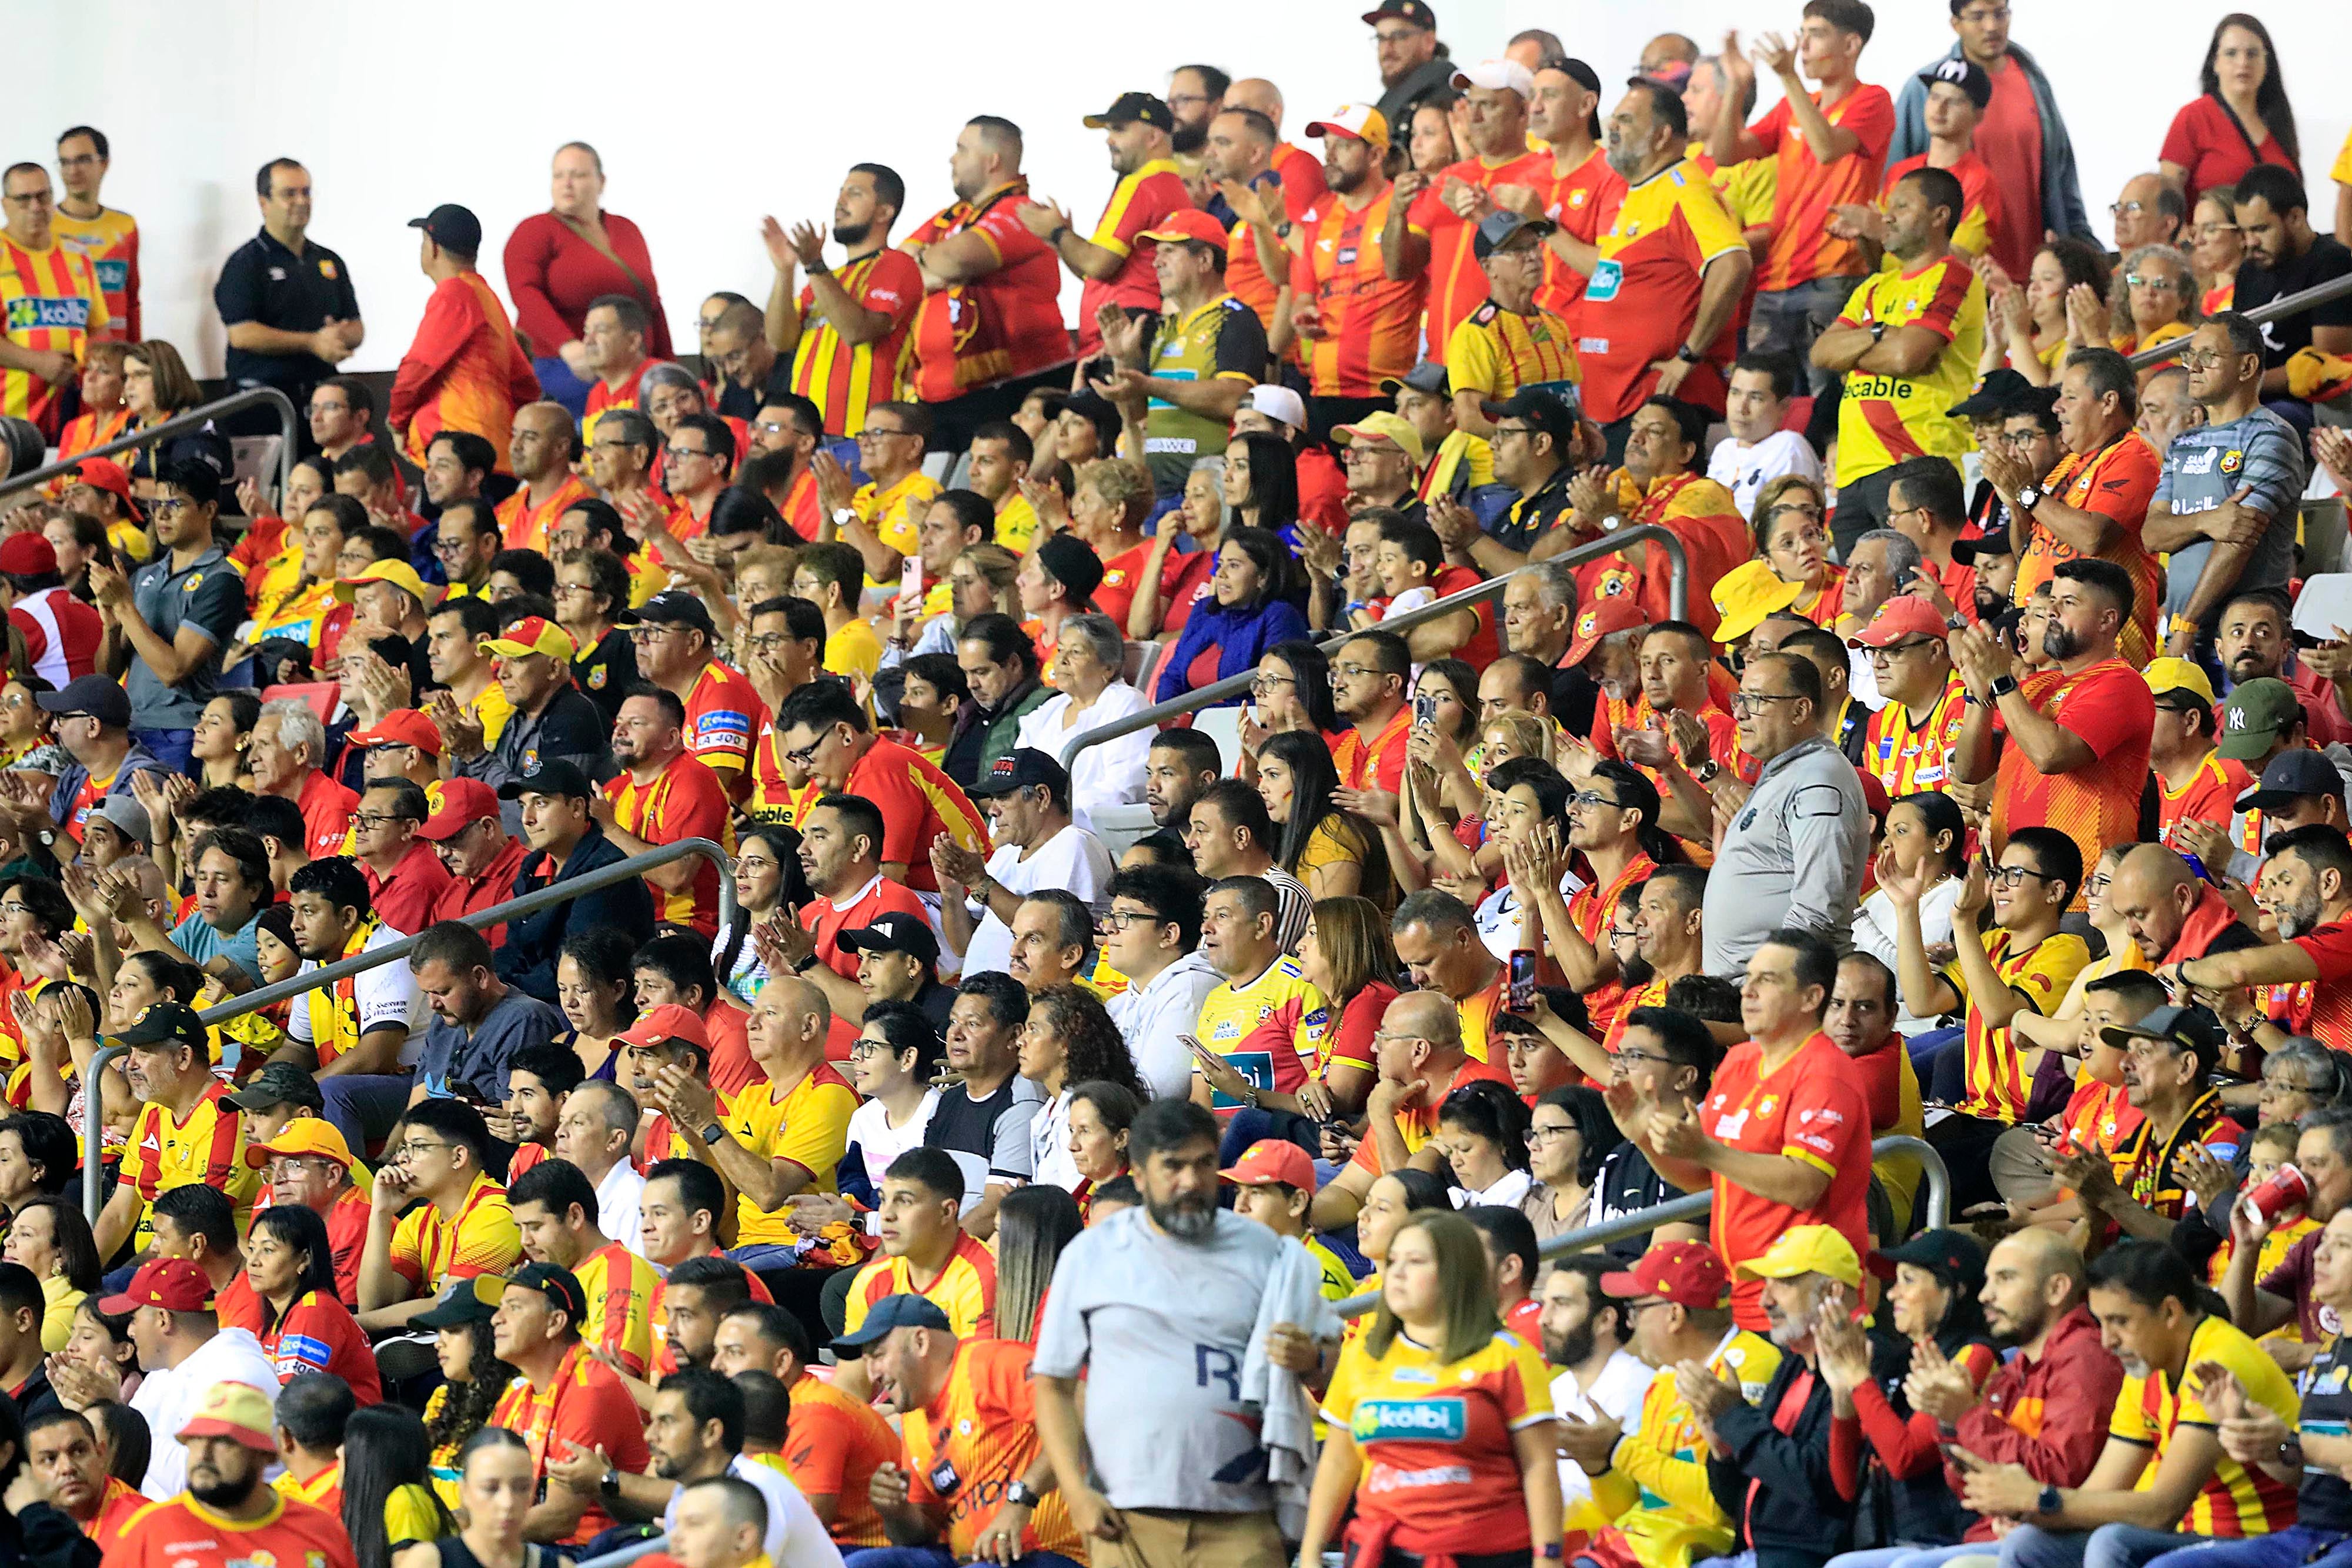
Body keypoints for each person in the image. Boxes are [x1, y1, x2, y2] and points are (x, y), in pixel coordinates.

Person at [1034, 1099, 1335, 1568]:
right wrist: (1076, 1494)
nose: (1192, 1181)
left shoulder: (1270, 1253)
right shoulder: (1090, 1254)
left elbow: (1332, 1367)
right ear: (1137, 1174)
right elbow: (1053, 1385)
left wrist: (1311, 1361)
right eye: (1173, 1166)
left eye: (1205, 1163)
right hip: (1126, 1520)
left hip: (1245, 1521)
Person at [1960, 1239, 2299, 1568]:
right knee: (2030, 1544)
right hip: (2189, 1538)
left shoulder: (2216, 1361)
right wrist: (2031, 1512)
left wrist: (2039, 1498)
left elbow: (2162, 1510)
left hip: (2261, 1540)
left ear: (2169, 1312)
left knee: (2114, 1544)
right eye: (2101, 1322)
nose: (2107, 1341)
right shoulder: (2145, 1369)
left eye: (2120, 1321)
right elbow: (2102, 1488)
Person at [1615, 928, 1872, 1330]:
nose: (1747, 992)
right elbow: (1704, 1179)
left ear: (1811, 998)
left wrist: (1706, 1151)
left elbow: (1805, 1184)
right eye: (1748, 978)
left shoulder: (1827, 1071)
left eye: (1767, 980)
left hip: (1810, 1303)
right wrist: (1644, 1137)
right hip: (1745, 1292)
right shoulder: (1739, 1061)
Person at [1298, 1206, 1561, 1568]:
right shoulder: (1363, 1355)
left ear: (1457, 1273)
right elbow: (1339, 1463)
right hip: (1381, 1552)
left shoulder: (1508, 1356)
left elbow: (1540, 1466)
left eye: (1416, 1261)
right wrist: (1311, 1552)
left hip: (1489, 1555)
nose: (1398, 1273)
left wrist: (1548, 1557)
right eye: (1393, 1260)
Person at [836, 1293, 1084, 1567]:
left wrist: (1021, 1499)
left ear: (920, 1342)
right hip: (964, 1559)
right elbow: (924, 1533)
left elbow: (1081, 1411)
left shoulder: (989, 1363)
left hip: (1051, 1552)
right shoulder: (914, 1417)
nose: (872, 1375)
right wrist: (895, 1510)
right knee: (860, 1565)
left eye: (879, 1356)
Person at [1953, 560, 2154, 894]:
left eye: (2069, 603)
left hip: (2082, 891)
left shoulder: (2122, 683)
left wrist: (2002, 681)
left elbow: (2051, 756)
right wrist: (1980, 694)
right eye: (2053, 602)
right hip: (2013, 884)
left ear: (2108, 620)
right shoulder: (2035, 687)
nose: (2053, 612)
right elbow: (1970, 770)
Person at [1812, 166, 1987, 546]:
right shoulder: (1875, 286)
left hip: (1915, 462)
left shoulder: (1953, 276)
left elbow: (1908, 356)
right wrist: (1879, 335)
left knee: (1916, 594)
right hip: (1853, 471)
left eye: (1903, 206)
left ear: (1940, 216)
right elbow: (1823, 353)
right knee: (1863, 600)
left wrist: (1856, 352)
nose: (1887, 216)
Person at [1578, 81, 1752, 449]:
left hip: (1658, 412)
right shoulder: (1642, 191)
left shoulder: (1685, 191)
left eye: (1625, 120)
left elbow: (1732, 264)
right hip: (1618, 409)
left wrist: (1688, 356)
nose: (1612, 128)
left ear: (1661, 135)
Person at [1698, 652, 1868, 976]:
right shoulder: (1789, 771)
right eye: (1740, 698)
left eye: (1757, 700)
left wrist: (1770, 979)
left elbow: (1818, 905)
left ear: (1800, 710)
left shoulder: (1819, 778)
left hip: (1782, 989)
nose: (1740, 713)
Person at [2145, 314, 2305, 651]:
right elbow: (2152, 533)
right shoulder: (2183, 443)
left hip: (2247, 640)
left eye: (2209, 357)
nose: (2194, 367)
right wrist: (2207, 520)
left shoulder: (2271, 435)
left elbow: (2238, 541)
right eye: (2191, 356)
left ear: (2247, 367)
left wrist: (2188, 624)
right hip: (2184, 632)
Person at [92, 460, 244, 775]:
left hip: (179, 732)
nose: (161, 514)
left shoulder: (222, 581)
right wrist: (112, 625)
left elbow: (174, 670)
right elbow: (107, 674)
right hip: (129, 729)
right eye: (156, 504)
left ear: (210, 510)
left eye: (175, 504)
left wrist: (126, 608)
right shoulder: (145, 576)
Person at [482, 1261, 649, 1546]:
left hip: (592, 1552)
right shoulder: (517, 1393)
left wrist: (469, 1538)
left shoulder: (590, 1386)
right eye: (500, 1308)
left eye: (514, 1307)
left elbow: (559, 1519)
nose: (496, 1319)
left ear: (555, 1323)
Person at [110, 1379, 354, 1568]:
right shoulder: (147, 1532)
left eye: (223, 1442)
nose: (203, 1455)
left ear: (268, 1454)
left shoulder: (322, 1530)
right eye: (194, 1440)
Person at [95, 1256, 282, 1498]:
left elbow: (209, 1483)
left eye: (133, 1319)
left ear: (163, 1320)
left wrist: (118, 1416)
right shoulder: (161, 1372)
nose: (130, 1332)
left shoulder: (238, 1375)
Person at [764, 165, 919, 440]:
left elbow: (858, 331)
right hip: (806, 437)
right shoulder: (828, 279)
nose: (841, 201)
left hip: (862, 437)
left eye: (855, 194)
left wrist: (813, 264)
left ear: (885, 212)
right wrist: (785, 271)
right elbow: (780, 340)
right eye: (841, 193)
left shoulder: (897, 265)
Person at [490, 760, 657, 1004]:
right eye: (522, 805)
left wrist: (504, 985)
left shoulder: (606, 872)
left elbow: (577, 972)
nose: (527, 819)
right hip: (539, 995)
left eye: (540, 803)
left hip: (591, 1007)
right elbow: (516, 946)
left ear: (578, 808)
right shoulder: (532, 867)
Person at [387, 205, 538, 472]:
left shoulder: (454, 294)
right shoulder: (487, 297)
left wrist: (397, 423)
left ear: (432, 247)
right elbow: (525, 383)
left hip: (456, 457)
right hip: (497, 457)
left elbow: (418, 368)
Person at [936, 749, 1110, 981]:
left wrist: (979, 882)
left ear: (1042, 797)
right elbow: (962, 946)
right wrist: (951, 893)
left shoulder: (1074, 843)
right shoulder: (1006, 853)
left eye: (1004, 797)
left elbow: (1047, 929)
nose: (992, 809)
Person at [355, 1099, 519, 1333]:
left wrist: (351, 1325)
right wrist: (381, 1214)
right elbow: (374, 1305)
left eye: (418, 1147)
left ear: (458, 1157)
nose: (402, 1159)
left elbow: (449, 1307)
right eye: (403, 1148)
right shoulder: (419, 1220)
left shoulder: (497, 1212)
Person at [212, 158, 362, 414]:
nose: (302, 201)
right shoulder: (245, 263)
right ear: (263, 203)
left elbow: (356, 326)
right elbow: (242, 333)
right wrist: (312, 342)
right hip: (263, 402)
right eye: (289, 194)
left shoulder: (329, 261)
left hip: (321, 399)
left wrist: (338, 338)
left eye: (306, 192)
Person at [925, 975, 1044, 1236]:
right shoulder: (948, 1101)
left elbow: (994, 1210)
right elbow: (924, 1188)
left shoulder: (1021, 1104)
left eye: (973, 1024)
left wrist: (929, 1254)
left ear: (1014, 1035)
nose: (956, 1034)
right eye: (954, 1021)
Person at [2228, 166, 2352, 406]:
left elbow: (2326, 366)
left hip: (2303, 405)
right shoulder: (2249, 269)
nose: (2250, 242)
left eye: (2261, 229)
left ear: (2296, 217)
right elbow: (2236, 346)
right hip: (2251, 399)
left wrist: (2242, 384)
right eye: (2244, 231)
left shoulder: (2334, 263)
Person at [2159, 16, 2301, 209]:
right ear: (2215, 63)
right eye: (2231, 53)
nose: (2243, 62)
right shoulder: (2193, 117)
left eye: (2252, 54)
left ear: (2267, 64)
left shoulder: (2278, 120)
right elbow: (2168, 206)